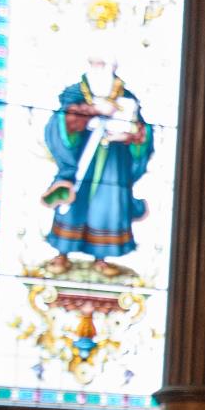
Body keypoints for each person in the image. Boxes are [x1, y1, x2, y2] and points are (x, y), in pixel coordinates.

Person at [40, 52, 155, 277]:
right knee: (72, 204)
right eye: (97, 64)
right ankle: (63, 252)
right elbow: (61, 122)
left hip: (114, 162)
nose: (101, 69)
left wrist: (128, 135)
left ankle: (101, 257)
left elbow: (141, 131)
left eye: (106, 65)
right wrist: (93, 111)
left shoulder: (127, 98)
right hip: (81, 159)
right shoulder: (75, 94)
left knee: (107, 206)